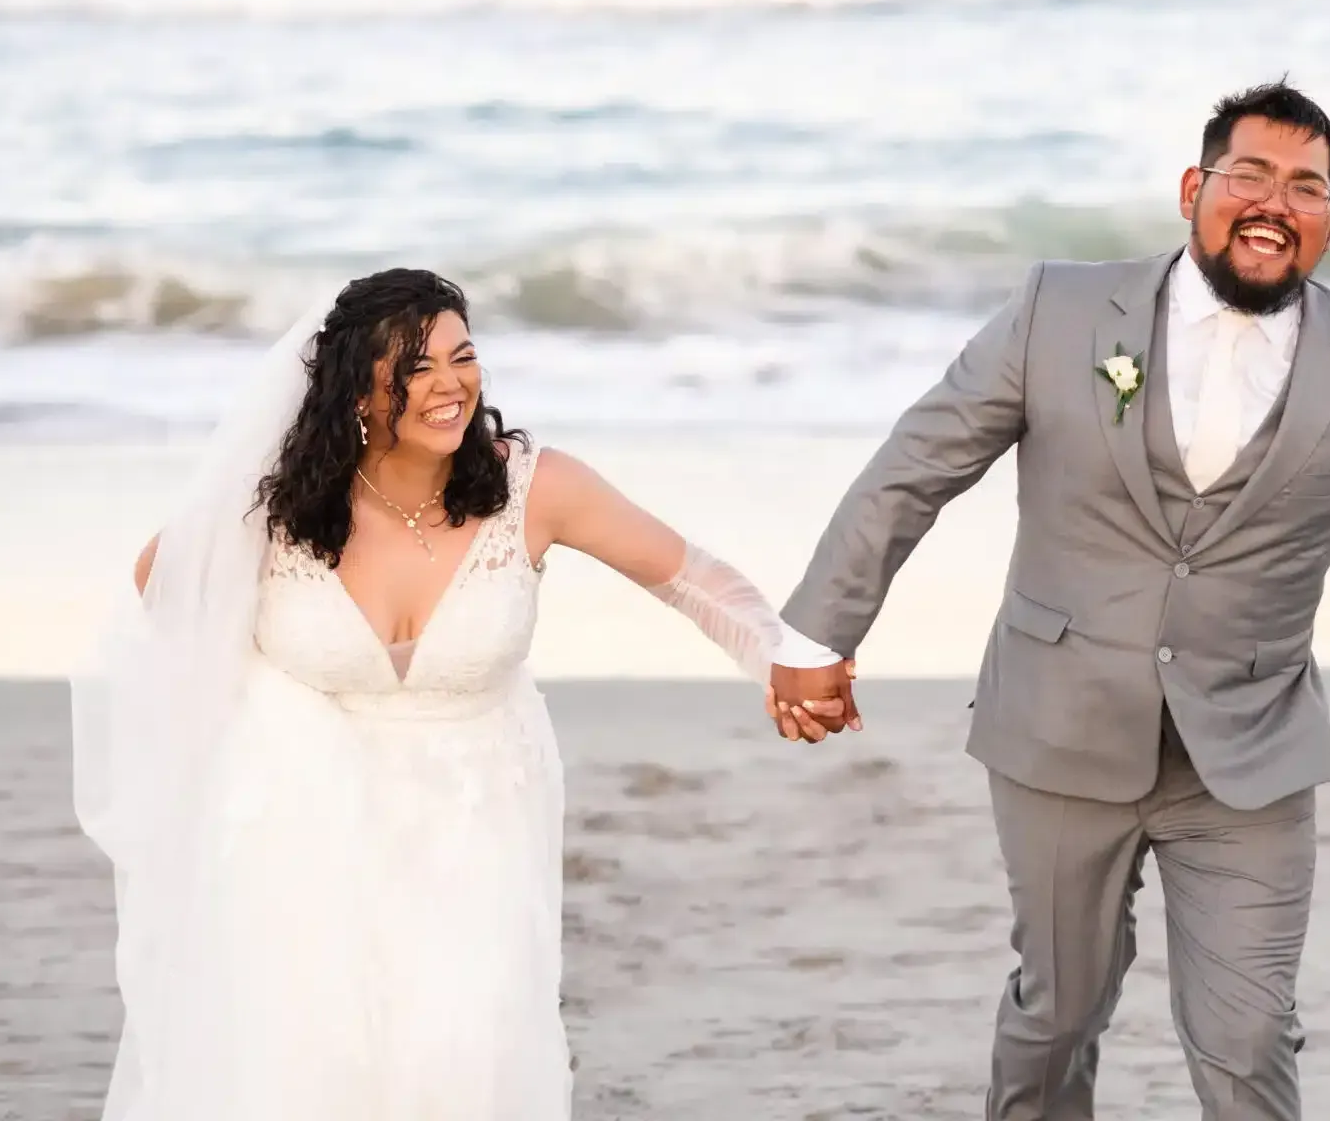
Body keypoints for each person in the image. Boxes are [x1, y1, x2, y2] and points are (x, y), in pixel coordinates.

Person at [765, 81, 1330, 1120]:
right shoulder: (1060, 310)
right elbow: (916, 464)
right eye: (1249, 175)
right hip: (1060, 728)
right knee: (1058, 1014)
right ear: (1193, 189)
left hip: (1249, 756)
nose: (1274, 202)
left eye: (1306, 187)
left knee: (1249, 1037)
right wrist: (816, 632)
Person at [70, 269, 834, 1119]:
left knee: (467, 1054)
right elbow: (163, 590)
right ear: (356, 390)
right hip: (299, 827)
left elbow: (690, 577)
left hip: (478, 819)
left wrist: (781, 656)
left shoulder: (532, 487)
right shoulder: (276, 510)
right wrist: (247, 726)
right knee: (308, 1063)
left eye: (461, 357)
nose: (450, 386)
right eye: (415, 368)